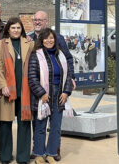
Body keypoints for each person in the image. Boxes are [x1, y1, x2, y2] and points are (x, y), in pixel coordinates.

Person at [29, 10, 75, 161]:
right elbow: (32, 77)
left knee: (55, 125)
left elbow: (67, 69)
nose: (49, 41)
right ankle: (39, 152)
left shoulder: (60, 53)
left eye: (51, 39)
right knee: (40, 124)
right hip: (43, 94)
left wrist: (67, 91)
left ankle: (53, 151)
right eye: (35, 19)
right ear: (41, 41)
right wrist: (41, 93)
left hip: (59, 93)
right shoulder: (35, 52)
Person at [0, 17, 34, 164]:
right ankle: (5, 156)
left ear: (22, 29)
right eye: (13, 28)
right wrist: (2, 85)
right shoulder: (0, 44)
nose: (16, 30)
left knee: (24, 123)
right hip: (7, 90)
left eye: (18, 28)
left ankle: (23, 157)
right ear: (8, 29)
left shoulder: (30, 43)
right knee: (5, 123)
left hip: (25, 90)